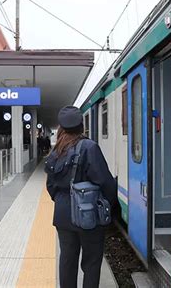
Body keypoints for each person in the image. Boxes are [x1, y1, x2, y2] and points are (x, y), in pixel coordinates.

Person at [44, 106, 117, 288]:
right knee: (91, 262)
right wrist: (111, 207)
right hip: (88, 213)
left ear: (61, 127)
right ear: (81, 125)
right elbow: (105, 182)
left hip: (63, 215)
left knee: (67, 260)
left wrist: (63, 201)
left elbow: (50, 186)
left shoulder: (56, 151)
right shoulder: (89, 147)